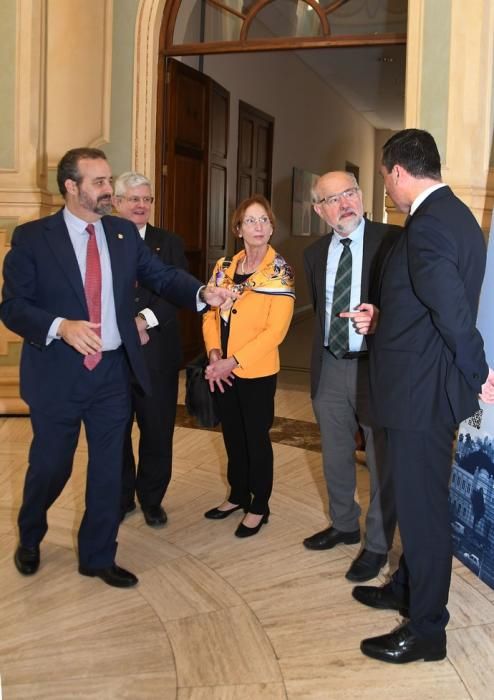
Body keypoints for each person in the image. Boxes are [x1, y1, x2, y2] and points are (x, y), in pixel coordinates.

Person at [0, 147, 235, 588]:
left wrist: (204, 293)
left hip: (111, 372)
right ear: (71, 187)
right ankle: (31, 533)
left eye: (109, 181)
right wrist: (60, 326)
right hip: (58, 373)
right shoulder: (34, 238)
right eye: (99, 182)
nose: (109, 190)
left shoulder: (122, 234)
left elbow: (163, 276)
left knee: (109, 469)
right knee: (52, 466)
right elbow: (12, 307)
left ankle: (97, 556)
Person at [347, 129, 494, 663]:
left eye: (386, 178)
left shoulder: (428, 225)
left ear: (400, 173)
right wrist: (383, 318)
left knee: (422, 511)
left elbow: (454, 314)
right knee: (418, 501)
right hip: (425, 385)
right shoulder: (454, 215)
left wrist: (478, 372)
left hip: (419, 396)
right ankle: (406, 589)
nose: (387, 187)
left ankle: (428, 630)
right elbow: (430, 304)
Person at [302, 171, 398, 582]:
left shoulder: (392, 242)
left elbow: (410, 302)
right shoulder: (314, 253)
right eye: (333, 198)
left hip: (374, 367)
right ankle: (343, 525)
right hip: (330, 365)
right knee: (335, 453)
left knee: (379, 460)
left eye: (351, 193)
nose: (345, 203)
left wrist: (382, 320)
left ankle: (376, 545)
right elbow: (319, 309)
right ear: (319, 210)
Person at [202, 194, 295, 537]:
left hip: (255, 370)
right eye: (250, 221)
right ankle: (238, 494)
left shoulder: (279, 270)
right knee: (232, 435)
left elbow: (276, 331)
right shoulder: (224, 267)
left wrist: (234, 361)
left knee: (256, 438)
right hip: (223, 368)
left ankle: (259, 505)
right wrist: (214, 353)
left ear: (272, 227)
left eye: (264, 220)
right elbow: (210, 315)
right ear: (237, 228)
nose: (258, 227)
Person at [113, 172, 187, 528]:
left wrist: (143, 321)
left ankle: (152, 499)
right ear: (117, 203)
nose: (142, 206)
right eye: (134, 199)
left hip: (157, 352)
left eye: (147, 199)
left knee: (157, 429)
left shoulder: (169, 242)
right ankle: (122, 496)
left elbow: (176, 290)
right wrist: (124, 328)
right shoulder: (101, 239)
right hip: (114, 354)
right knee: (115, 429)